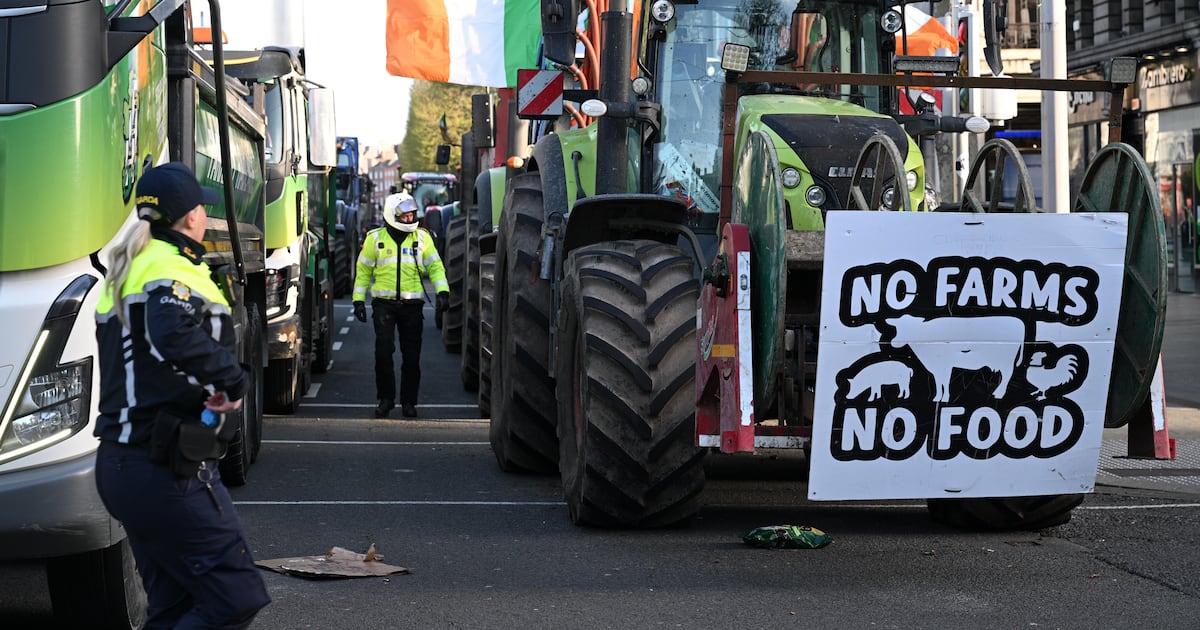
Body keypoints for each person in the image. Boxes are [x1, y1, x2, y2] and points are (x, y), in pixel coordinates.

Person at [93, 162, 271, 628]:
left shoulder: (131, 267)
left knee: (174, 606)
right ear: (190, 217)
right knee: (235, 596)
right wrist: (233, 382)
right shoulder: (169, 269)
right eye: (200, 208)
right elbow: (170, 331)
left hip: (122, 465)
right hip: (163, 467)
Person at [353, 192, 449, 418]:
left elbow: (435, 266)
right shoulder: (375, 239)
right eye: (405, 216)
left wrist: (443, 291)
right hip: (383, 305)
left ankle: (409, 402)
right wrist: (358, 300)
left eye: (412, 215)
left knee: (412, 357)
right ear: (392, 215)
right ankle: (386, 399)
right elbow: (363, 271)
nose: (410, 219)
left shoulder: (422, 238)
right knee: (383, 354)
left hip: (412, 306)